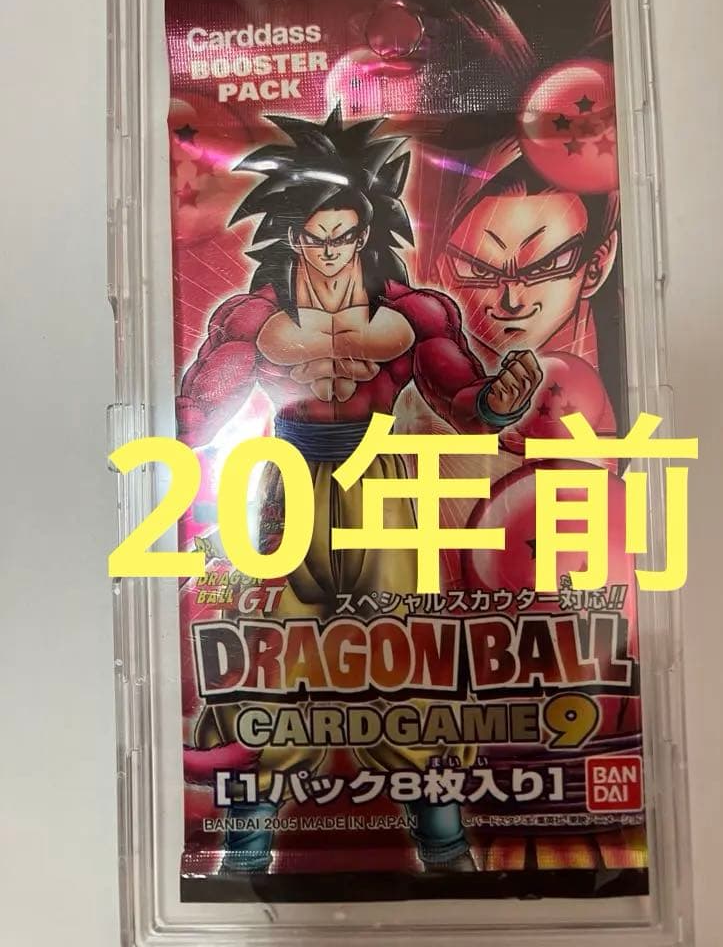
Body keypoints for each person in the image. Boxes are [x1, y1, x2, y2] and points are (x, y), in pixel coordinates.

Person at [176, 107, 542, 873]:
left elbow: (462, 401)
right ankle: (243, 856)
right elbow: (197, 412)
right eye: (318, 237)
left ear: (367, 231)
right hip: (289, 491)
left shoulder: (414, 313)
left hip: (381, 491)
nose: (332, 252)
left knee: (405, 665)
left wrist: (499, 399)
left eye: (345, 236)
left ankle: (445, 850)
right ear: (294, 235)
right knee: (274, 672)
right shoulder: (253, 318)